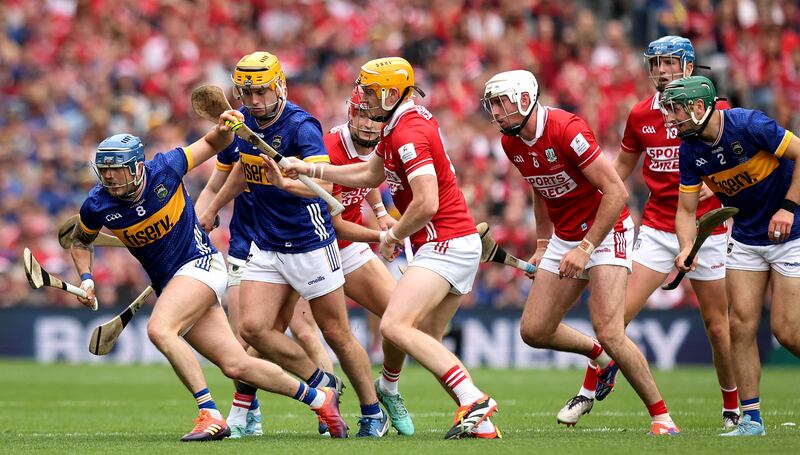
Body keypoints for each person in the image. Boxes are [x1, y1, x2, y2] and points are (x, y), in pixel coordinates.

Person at [69, 125, 347, 441]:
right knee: (237, 365)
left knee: (160, 329)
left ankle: (210, 414)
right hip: (173, 282)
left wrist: (225, 126)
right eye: (104, 171)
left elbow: (214, 141)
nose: (109, 178)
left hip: (201, 264)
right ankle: (320, 397)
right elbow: (80, 242)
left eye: (116, 171)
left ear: (136, 166)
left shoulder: (166, 167)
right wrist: (87, 279)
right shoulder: (97, 204)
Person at [281, 57, 500, 440]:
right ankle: (473, 421)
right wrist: (312, 169)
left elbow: (427, 202)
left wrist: (393, 234)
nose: (364, 100)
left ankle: (473, 400)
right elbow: (368, 174)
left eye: (370, 91)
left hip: (442, 241)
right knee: (421, 333)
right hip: (455, 242)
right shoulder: (400, 124)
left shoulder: (407, 132)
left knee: (394, 325)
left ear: (391, 92)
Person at [198, 51, 387, 437]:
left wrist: (286, 183)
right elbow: (243, 170)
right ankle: (323, 384)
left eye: (261, 92)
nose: (253, 101)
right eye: (246, 93)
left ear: (279, 86)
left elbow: (327, 187)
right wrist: (213, 208)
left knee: (334, 331)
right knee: (252, 330)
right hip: (266, 243)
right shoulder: (246, 123)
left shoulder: (302, 126)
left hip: (308, 239)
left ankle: (373, 411)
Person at [482, 69, 679, 435]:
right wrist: (544, 243)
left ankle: (662, 418)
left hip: (607, 230)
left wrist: (586, 248)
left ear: (526, 100)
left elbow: (617, 191)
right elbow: (539, 187)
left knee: (610, 329)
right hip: (565, 237)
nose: (494, 112)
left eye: (500, 103)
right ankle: (599, 359)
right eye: (491, 104)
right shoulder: (511, 142)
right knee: (534, 330)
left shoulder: (566, 129)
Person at [558, 36, 739, 429]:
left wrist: (718, 185)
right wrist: (590, 195)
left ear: (689, 67)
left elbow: (735, 163)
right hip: (658, 226)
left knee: (717, 325)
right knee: (614, 320)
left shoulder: (715, 108)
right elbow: (619, 169)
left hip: (706, 227)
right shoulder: (641, 114)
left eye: (669, 63)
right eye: (656, 64)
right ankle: (590, 390)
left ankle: (732, 408)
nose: (661, 71)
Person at [264, 85, 415, 435]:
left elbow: (370, 174)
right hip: (313, 244)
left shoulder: (381, 142)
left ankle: (388, 388)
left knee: (399, 320)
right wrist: (383, 236)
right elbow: (333, 220)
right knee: (286, 331)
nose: (367, 123)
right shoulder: (328, 146)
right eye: (360, 114)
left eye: (373, 116)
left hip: (349, 249)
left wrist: (380, 214)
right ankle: (259, 409)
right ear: (350, 114)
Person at [664, 75, 800, 436]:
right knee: (740, 327)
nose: (670, 119)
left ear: (698, 107)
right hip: (745, 237)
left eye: (675, 111)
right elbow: (685, 211)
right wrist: (684, 247)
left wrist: (788, 207)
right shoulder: (690, 149)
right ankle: (751, 420)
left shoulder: (748, 124)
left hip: (792, 233)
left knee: (786, 330)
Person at [194, 126, 334, 438]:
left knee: (306, 332)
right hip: (245, 247)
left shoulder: (291, 132)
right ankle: (249, 411)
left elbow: (319, 184)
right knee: (239, 344)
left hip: (290, 246)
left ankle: (326, 411)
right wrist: (201, 216)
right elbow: (212, 187)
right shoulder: (232, 144)